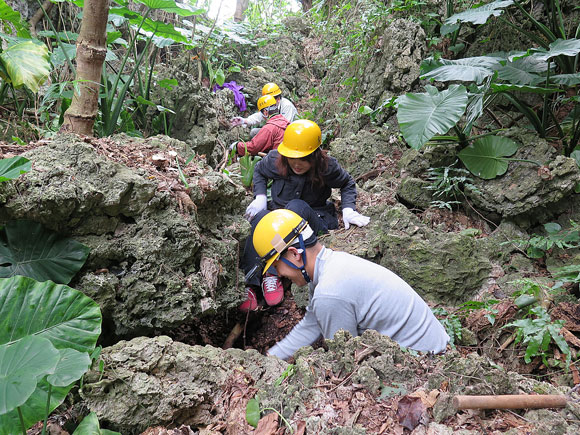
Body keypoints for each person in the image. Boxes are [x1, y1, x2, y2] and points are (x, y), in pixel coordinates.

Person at [252, 208, 450, 360]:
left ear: (295, 254)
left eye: (276, 266)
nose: (277, 274)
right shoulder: (331, 266)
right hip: (431, 347)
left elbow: (344, 359)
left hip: (424, 360)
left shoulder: (329, 293)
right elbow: (311, 326)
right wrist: (269, 359)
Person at [239, 119, 370, 312]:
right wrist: (259, 197)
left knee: (295, 207)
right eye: (293, 158)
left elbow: (347, 183)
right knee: (261, 218)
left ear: (315, 156)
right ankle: (251, 282)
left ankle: (273, 273)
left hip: (313, 218)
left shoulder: (327, 167)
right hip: (281, 218)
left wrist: (348, 209)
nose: (297, 164)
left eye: (304, 159)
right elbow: (259, 170)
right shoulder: (276, 160)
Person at [231, 83, 298, 138]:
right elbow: (259, 116)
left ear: (278, 98)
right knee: (253, 132)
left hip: (290, 134)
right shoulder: (271, 106)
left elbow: (284, 127)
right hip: (276, 130)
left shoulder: (287, 106)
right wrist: (244, 121)